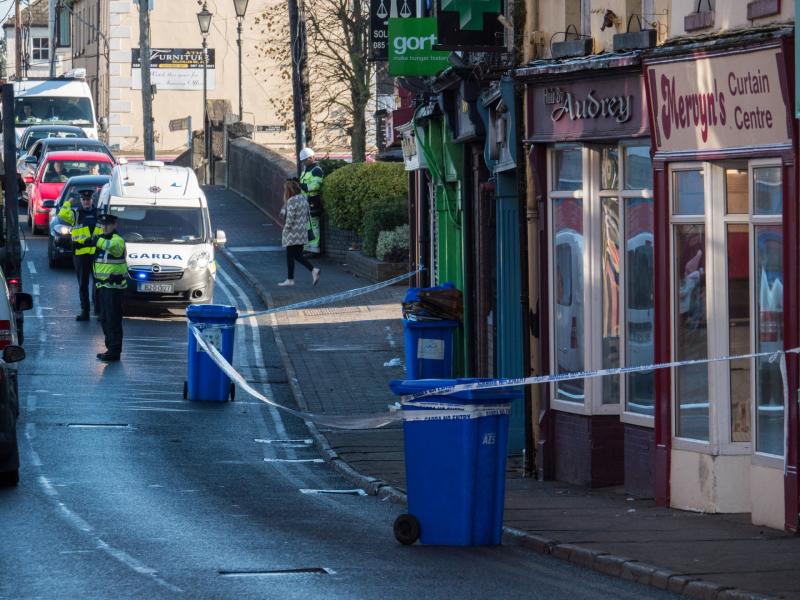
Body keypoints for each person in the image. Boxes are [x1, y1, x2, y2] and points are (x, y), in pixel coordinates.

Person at [59, 189, 103, 321]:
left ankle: (99, 311)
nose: (86, 202)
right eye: (83, 200)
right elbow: (62, 214)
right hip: (81, 255)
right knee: (83, 285)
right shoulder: (76, 214)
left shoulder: (99, 214)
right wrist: (69, 201)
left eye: (88, 200)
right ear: (81, 201)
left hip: (96, 254)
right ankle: (85, 311)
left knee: (98, 284)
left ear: (92, 201)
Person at [91, 213, 127, 362]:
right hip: (103, 286)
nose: (104, 227)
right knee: (105, 319)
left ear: (114, 225)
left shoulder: (117, 240)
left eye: (107, 225)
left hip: (113, 287)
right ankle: (110, 348)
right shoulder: (104, 239)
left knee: (113, 320)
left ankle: (114, 351)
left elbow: (112, 248)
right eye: (102, 224)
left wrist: (95, 240)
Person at [279, 179, 320, 287]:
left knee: (290, 256)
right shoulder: (303, 199)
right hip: (302, 232)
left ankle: (290, 279)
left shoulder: (292, 201)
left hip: (292, 233)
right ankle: (313, 270)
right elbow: (307, 216)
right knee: (297, 255)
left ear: (288, 190)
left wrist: (286, 230)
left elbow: (290, 218)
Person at [299, 147, 324, 255]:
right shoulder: (306, 170)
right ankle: (308, 247)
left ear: (312, 158)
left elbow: (315, 186)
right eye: (303, 161)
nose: (304, 162)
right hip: (306, 201)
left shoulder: (316, 170)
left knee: (314, 225)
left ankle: (314, 249)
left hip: (313, 201)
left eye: (305, 160)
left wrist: (301, 185)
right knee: (307, 225)